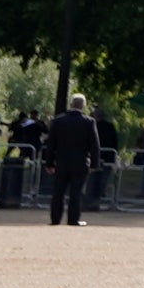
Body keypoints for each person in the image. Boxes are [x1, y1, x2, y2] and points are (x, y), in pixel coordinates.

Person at [46, 93, 102, 226]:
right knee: (76, 192)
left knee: (58, 192)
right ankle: (73, 219)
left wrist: (49, 162)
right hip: (80, 162)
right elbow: (94, 145)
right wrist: (94, 163)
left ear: (71, 104)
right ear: (83, 106)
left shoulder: (58, 121)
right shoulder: (89, 122)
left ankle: (55, 219)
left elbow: (50, 144)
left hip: (62, 162)